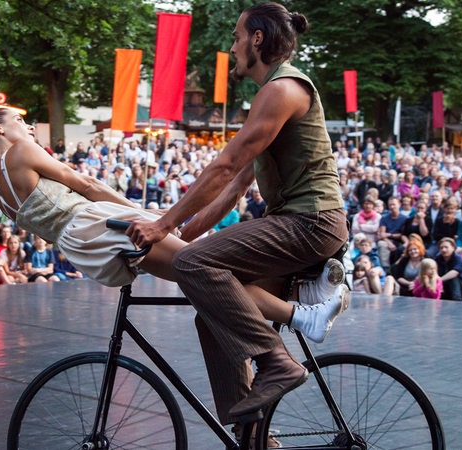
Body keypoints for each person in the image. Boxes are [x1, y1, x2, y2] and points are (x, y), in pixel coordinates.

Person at [126, 3, 349, 423]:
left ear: (257, 39)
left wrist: (162, 225)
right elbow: (235, 186)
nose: (232, 46)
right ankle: (249, 435)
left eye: (235, 37)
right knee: (211, 317)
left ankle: (275, 362)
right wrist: (179, 237)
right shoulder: (271, 96)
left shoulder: (281, 91)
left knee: (193, 266)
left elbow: (224, 166)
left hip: (309, 222)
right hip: (301, 222)